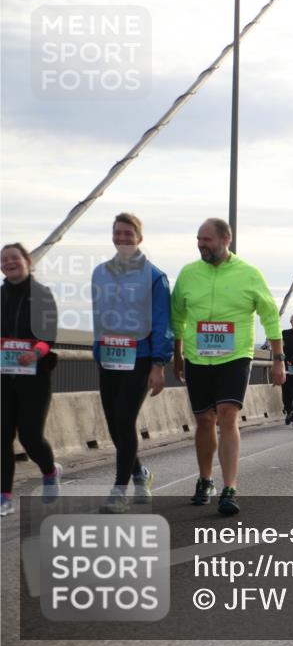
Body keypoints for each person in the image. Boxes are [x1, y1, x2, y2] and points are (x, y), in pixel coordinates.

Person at [171, 218, 285, 516]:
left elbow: (270, 316)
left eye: (206, 239)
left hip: (234, 357)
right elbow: (177, 316)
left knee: (227, 416)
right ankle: (206, 479)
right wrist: (177, 353)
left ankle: (230, 487)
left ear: (226, 239)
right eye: (198, 239)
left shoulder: (248, 274)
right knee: (204, 421)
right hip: (197, 357)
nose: (201, 245)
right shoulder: (188, 273)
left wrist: (278, 359)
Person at [90, 214, 172, 513]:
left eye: (128, 233)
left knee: (124, 419)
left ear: (139, 237)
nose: (122, 238)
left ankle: (119, 490)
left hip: (139, 357)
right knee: (114, 425)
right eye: (117, 233)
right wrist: (97, 350)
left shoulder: (154, 276)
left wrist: (159, 364)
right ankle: (140, 473)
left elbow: (163, 322)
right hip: (109, 358)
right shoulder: (99, 273)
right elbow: (99, 316)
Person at [1, 243, 61, 516]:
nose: (9, 263)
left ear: (27, 261)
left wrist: (34, 354)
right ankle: (4, 496)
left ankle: (50, 472)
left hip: (35, 377)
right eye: (4, 260)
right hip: (4, 378)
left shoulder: (42, 295)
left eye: (15, 258)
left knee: (30, 437)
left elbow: (48, 338)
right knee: (2, 438)